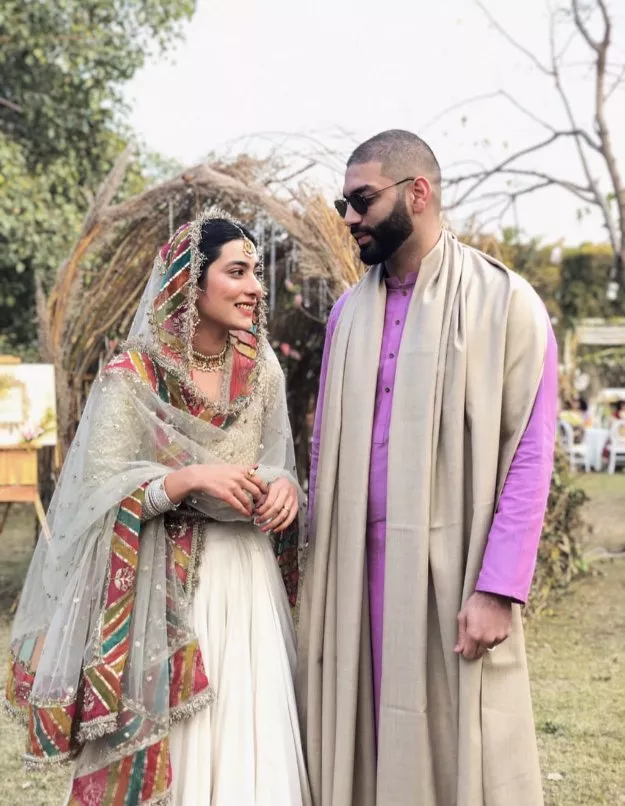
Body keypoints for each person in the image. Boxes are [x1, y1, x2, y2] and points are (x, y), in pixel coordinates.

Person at [5, 212, 312, 806]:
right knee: (186, 747)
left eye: (256, 274)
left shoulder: (262, 368)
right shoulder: (133, 377)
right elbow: (95, 497)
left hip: (247, 581)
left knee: (250, 738)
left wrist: (284, 489)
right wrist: (185, 480)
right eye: (238, 272)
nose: (256, 288)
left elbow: (277, 461)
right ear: (189, 283)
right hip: (161, 590)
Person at [296, 130, 558, 806]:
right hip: (355, 571)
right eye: (343, 204)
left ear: (418, 192)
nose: (348, 218)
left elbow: (529, 454)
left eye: (362, 200)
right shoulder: (348, 314)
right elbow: (324, 449)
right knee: (362, 737)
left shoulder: (505, 303)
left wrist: (499, 587)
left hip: (455, 568)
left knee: (451, 745)